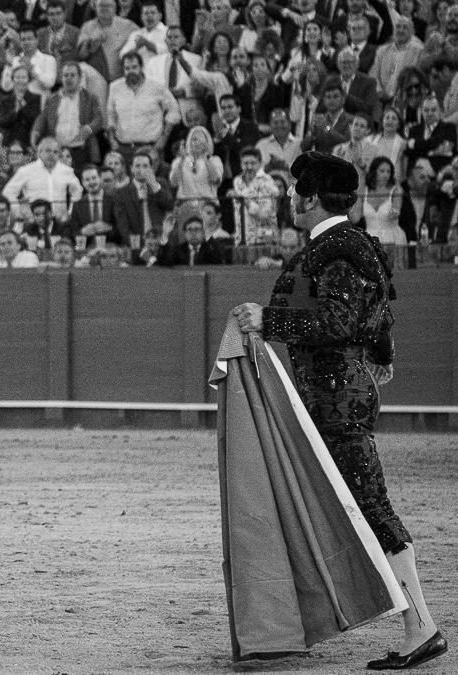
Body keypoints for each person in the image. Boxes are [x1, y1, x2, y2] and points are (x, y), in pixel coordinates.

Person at [231, 152, 447, 671]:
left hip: (336, 400)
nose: (288, 196)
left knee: (370, 508)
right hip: (335, 394)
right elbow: (378, 315)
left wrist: (269, 321)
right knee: (347, 505)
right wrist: (383, 354)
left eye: (294, 190)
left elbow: (338, 320)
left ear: (311, 198)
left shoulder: (338, 251)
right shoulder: (354, 245)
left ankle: (422, 628)